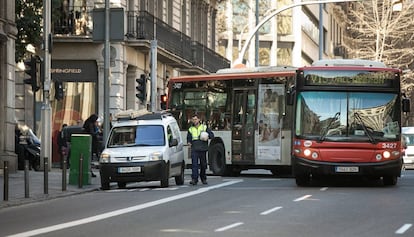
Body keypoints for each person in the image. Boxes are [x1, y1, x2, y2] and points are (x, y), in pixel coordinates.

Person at [187, 114, 214, 185]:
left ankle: (203, 178)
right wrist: (189, 143)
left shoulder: (204, 127)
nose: (194, 121)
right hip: (194, 148)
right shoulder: (190, 129)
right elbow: (189, 138)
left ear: (199, 120)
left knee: (203, 165)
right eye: (193, 119)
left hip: (203, 148)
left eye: (196, 119)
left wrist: (207, 137)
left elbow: (212, 135)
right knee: (194, 165)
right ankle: (194, 179)